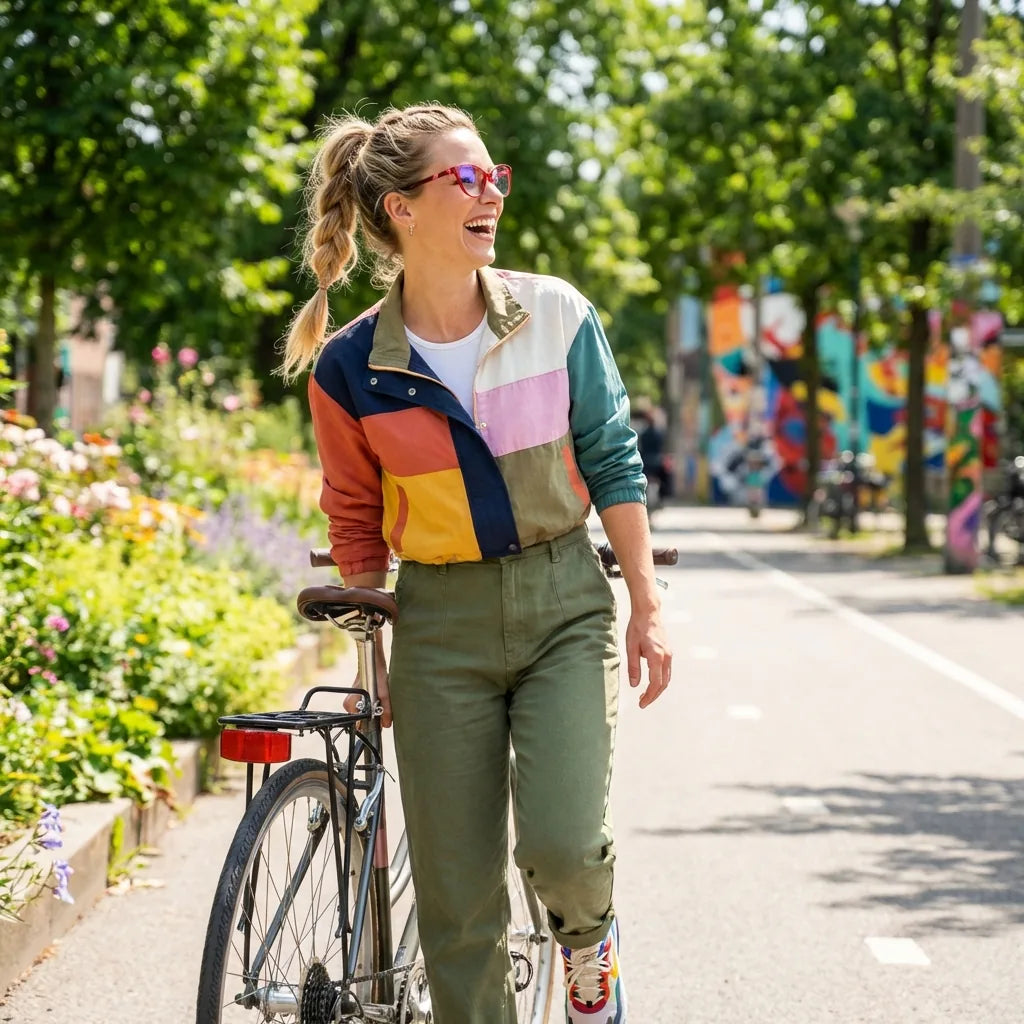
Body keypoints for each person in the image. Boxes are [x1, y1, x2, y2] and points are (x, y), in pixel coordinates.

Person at [281, 102, 672, 1024]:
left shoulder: (557, 315)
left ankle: (588, 948)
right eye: (466, 178)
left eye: (493, 176)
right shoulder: (349, 368)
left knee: (567, 847)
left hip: (562, 605)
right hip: (437, 626)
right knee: (457, 907)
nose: (490, 192)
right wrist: (371, 639)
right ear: (400, 209)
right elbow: (355, 513)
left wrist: (647, 604)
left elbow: (613, 458)